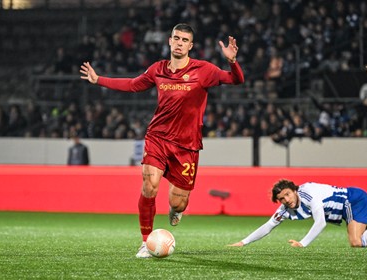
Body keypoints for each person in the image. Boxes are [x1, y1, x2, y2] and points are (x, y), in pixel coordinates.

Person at [80, 23, 244, 258]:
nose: (179, 43)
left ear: (191, 45)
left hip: (187, 145)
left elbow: (236, 80)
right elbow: (133, 85)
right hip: (157, 137)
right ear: (169, 41)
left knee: (179, 202)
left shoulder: (204, 70)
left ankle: (174, 210)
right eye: (176, 38)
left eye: (184, 40)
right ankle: (146, 242)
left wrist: (232, 61)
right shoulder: (157, 69)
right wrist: (99, 80)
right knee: (149, 186)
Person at [229, 179, 367, 248]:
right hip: (348, 204)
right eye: (281, 198)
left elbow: (320, 222)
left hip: (352, 199)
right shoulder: (285, 209)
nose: (286, 199)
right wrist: (244, 242)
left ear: (294, 190)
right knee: (365, 242)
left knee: (356, 242)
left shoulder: (307, 194)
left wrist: (303, 243)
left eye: (287, 194)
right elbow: (269, 225)